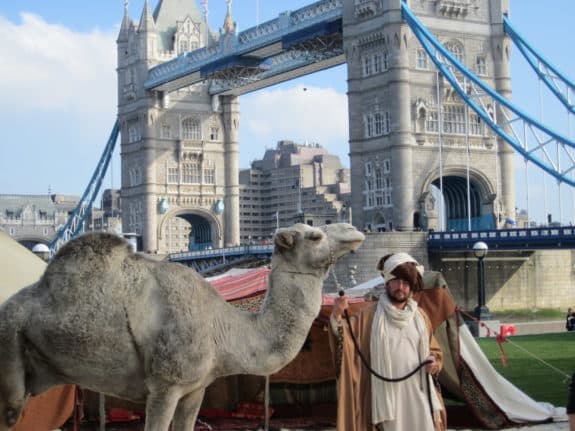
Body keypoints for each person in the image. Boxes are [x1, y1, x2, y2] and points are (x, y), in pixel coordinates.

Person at [329, 252, 446, 431]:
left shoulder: (421, 317)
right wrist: (337, 314)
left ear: (412, 286)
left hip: (419, 390)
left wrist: (434, 363)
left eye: (406, 283)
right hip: (386, 398)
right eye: (396, 281)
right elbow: (345, 339)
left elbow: (434, 351)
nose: (400, 287)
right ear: (387, 283)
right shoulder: (368, 316)